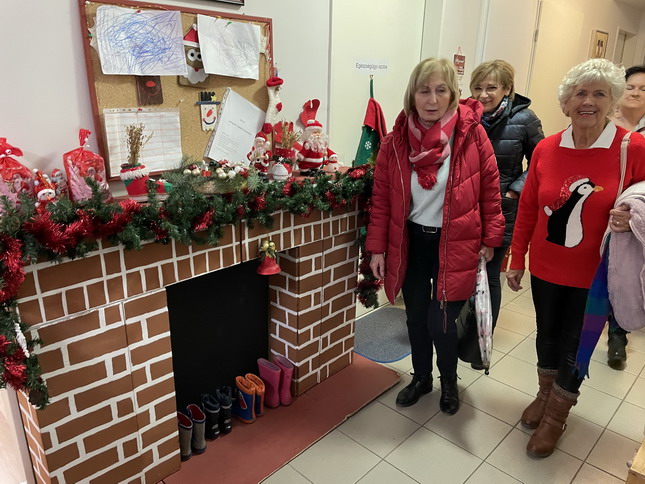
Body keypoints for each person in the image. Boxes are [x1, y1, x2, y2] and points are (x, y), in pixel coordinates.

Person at [506, 58, 645, 458]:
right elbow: (529, 208)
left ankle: (556, 416)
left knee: (576, 344)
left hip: (597, 274)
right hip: (546, 268)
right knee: (546, 335)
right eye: (580, 93)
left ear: (612, 101)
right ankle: (544, 394)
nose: (588, 101)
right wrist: (517, 258)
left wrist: (633, 216)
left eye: (599, 93)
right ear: (565, 103)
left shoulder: (632, 148)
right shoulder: (547, 148)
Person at [366, 58, 504, 415]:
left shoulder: (472, 136)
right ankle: (422, 378)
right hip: (412, 242)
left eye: (441, 90)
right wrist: (377, 249)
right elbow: (381, 200)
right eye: (424, 90)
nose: (432, 99)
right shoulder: (395, 142)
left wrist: (491, 239)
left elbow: (490, 190)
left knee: (441, 322)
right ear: (412, 95)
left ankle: (449, 382)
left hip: (456, 242)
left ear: (453, 94)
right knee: (414, 317)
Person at [469, 60, 544, 348]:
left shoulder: (525, 119)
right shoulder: (467, 116)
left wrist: (514, 190)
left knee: (489, 273)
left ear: (507, 89)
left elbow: (540, 162)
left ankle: (482, 340)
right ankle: (462, 330)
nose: (483, 95)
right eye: (477, 87)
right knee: (463, 270)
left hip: (501, 207)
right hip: (466, 206)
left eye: (491, 88)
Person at [606, 65, 645, 370]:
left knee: (623, 277)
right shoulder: (604, 124)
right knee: (595, 279)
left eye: (643, 89)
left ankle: (617, 336)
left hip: (630, 221)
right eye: (631, 86)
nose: (636, 93)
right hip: (597, 215)